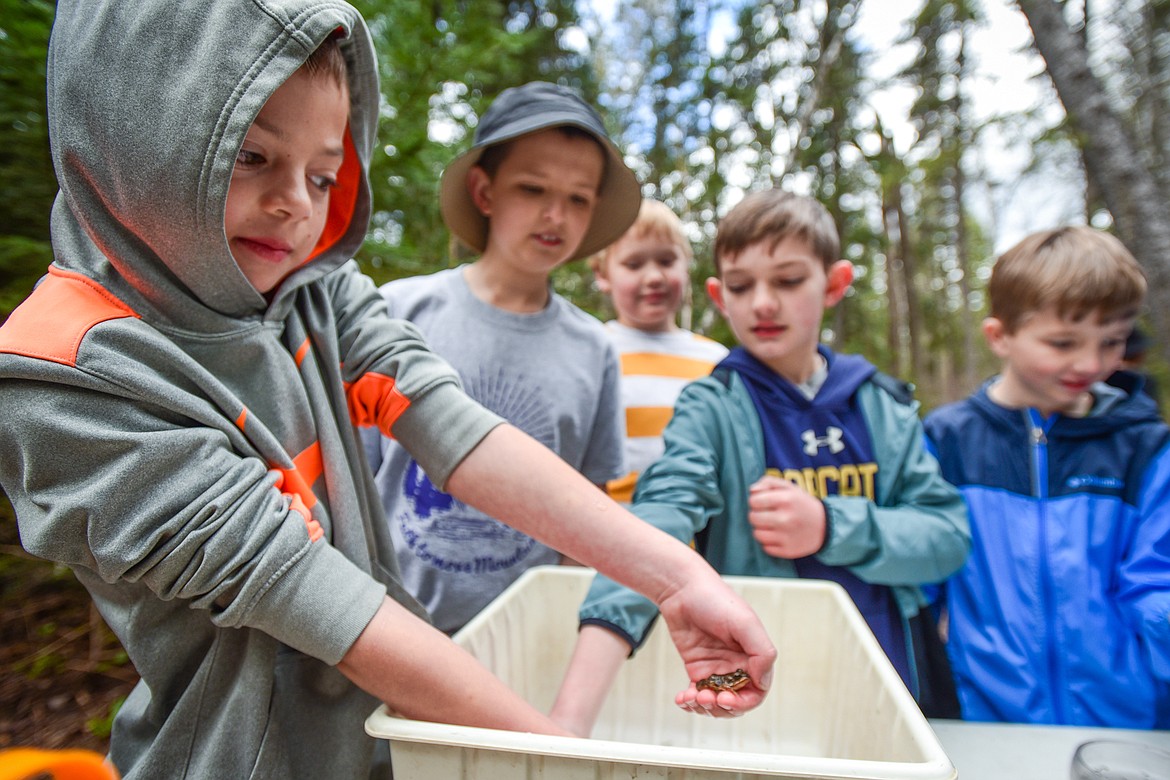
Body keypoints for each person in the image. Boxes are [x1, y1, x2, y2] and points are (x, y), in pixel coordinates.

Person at [0, 3, 776, 778]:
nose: (297, 206)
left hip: (388, 747)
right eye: (249, 156)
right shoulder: (64, 372)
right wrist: (562, 757)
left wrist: (679, 578)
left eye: (323, 174)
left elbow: (448, 424)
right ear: (131, 126)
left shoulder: (311, 295)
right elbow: (310, 595)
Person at [549, 188, 971, 736]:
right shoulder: (710, 405)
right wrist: (569, 718)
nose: (763, 303)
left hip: (885, 682)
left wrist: (829, 526)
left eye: (789, 281)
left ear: (835, 283)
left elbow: (947, 537)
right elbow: (661, 516)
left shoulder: (883, 405)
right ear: (720, 297)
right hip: (754, 692)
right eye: (742, 286)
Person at [362, 81, 637, 634]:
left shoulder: (594, 349)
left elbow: (590, 511)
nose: (555, 215)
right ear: (485, 193)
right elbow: (355, 476)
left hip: (521, 638)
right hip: (393, 629)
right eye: (532, 189)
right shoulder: (398, 311)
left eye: (578, 198)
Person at [923, 226, 1170, 728]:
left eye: (1112, 342)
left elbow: (1156, 582)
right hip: (982, 723)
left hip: (1129, 725)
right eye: (1063, 342)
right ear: (1001, 336)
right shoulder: (947, 441)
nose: (1091, 363)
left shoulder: (1145, 447)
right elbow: (921, 582)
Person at [588, 199, 729, 503]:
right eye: (634, 264)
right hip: (612, 539)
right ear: (602, 274)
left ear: (686, 266)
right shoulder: (591, 351)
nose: (653, 277)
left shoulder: (717, 361)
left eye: (666, 261)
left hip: (698, 543)